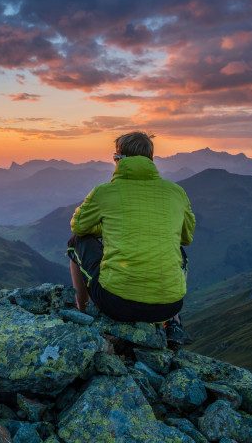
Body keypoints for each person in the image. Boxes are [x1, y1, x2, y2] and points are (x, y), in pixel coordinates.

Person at [67, 132, 195, 345]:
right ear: (150, 159)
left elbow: (79, 226)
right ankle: (173, 322)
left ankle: (82, 311)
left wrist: (109, 227)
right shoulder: (176, 193)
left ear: (118, 159)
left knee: (75, 242)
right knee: (178, 251)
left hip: (116, 303)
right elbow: (186, 236)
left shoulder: (105, 192)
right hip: (169, 304)